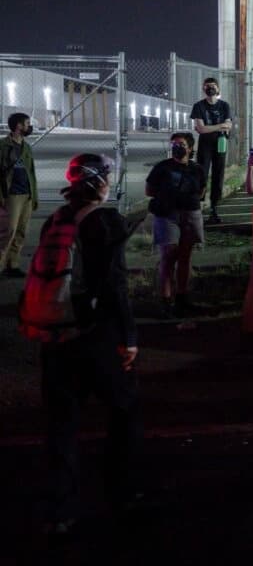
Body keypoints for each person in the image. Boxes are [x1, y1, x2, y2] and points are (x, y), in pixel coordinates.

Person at [38, 154, 141, 533]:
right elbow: (115, 284)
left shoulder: (57, 219)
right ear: (98, 181)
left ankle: (61, 510)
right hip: (94, 335)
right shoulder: (104, 220)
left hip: (56, 333)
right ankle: (122, 494)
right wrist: (128, 338)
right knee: (124, 408)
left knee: (62, 423)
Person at [145, 132, 206, 319]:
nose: (176, 147)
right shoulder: (162, 168)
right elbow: (149, 190)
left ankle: (182, 298)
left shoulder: (197, 169)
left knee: (185, 257)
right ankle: (166, 300)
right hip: (167, 215)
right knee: (169, 255)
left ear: (190, 148)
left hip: (190, 214)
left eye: (180, 144)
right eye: (173, 144)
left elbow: (202, 192)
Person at [0, 112, 39, 276]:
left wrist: (34, 195)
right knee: (8, 231)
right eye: (26, 123)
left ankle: (12, 265)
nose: (29, 127)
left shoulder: (27, 147)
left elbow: (32, 172)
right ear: (18, 126)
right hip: (12, 195)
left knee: (22, 231)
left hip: (26, 195)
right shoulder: (3, 146)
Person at [190, 77, 231, 224]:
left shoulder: (224, 106)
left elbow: (229, 125)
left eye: (213, 86)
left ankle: (214, 208)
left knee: (218, 175)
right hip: (205, 145)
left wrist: (209, 128)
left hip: (221, 143)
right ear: (203, 89)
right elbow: (200, 128)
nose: (210, 88)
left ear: (218, 89)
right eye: (207, 86)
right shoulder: (199, 106)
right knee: (201, 174)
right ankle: (197, 208)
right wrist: (221, 126)